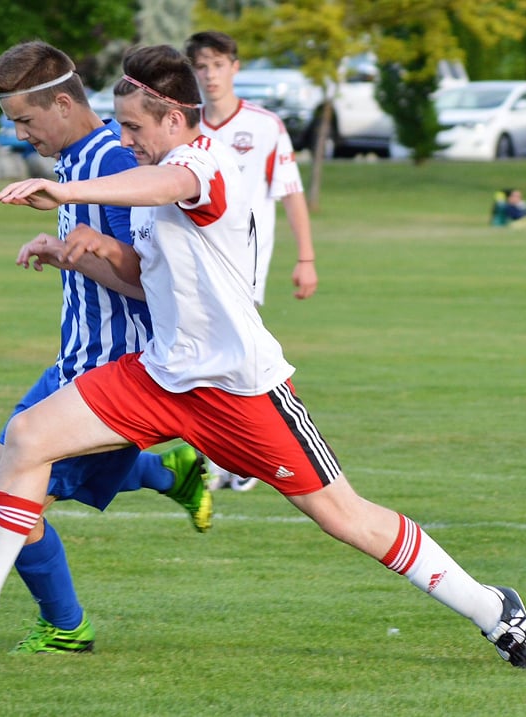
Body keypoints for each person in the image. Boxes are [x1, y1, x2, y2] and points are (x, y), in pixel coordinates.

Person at [0, 44, 526, 672]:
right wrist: (75, 250)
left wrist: (71, 193)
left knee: (346, 517)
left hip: (238, 388)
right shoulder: (153, 169)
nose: (127, 140)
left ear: (175, 118)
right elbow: (145, 272)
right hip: (161, 373)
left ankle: (496, 610)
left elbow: (167, 186)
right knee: (26, 438)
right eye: (119, 126)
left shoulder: (204, 164)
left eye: (135, 127)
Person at [0, 41, 211, 654]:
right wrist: (65, 251)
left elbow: (147, 282)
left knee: (15, 490)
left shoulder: (116, 164)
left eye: (25, 121)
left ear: (63, 103)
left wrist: (83, 252)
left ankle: (41, 619)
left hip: (117, 373)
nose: (19, 134)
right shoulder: (76, 160)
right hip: (74, 361)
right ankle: (167, 476)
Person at [185, 31, 318, 492]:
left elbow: (291, 193)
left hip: (243, 267)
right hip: (190, 266)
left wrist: (306, 257)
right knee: (204, 359)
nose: (210, 75)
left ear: (235, 67)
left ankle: (244, 459)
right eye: (201, 67)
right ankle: (224, 460)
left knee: (235, 360)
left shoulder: (265, 126)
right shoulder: (184, 126)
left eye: (218, 64)